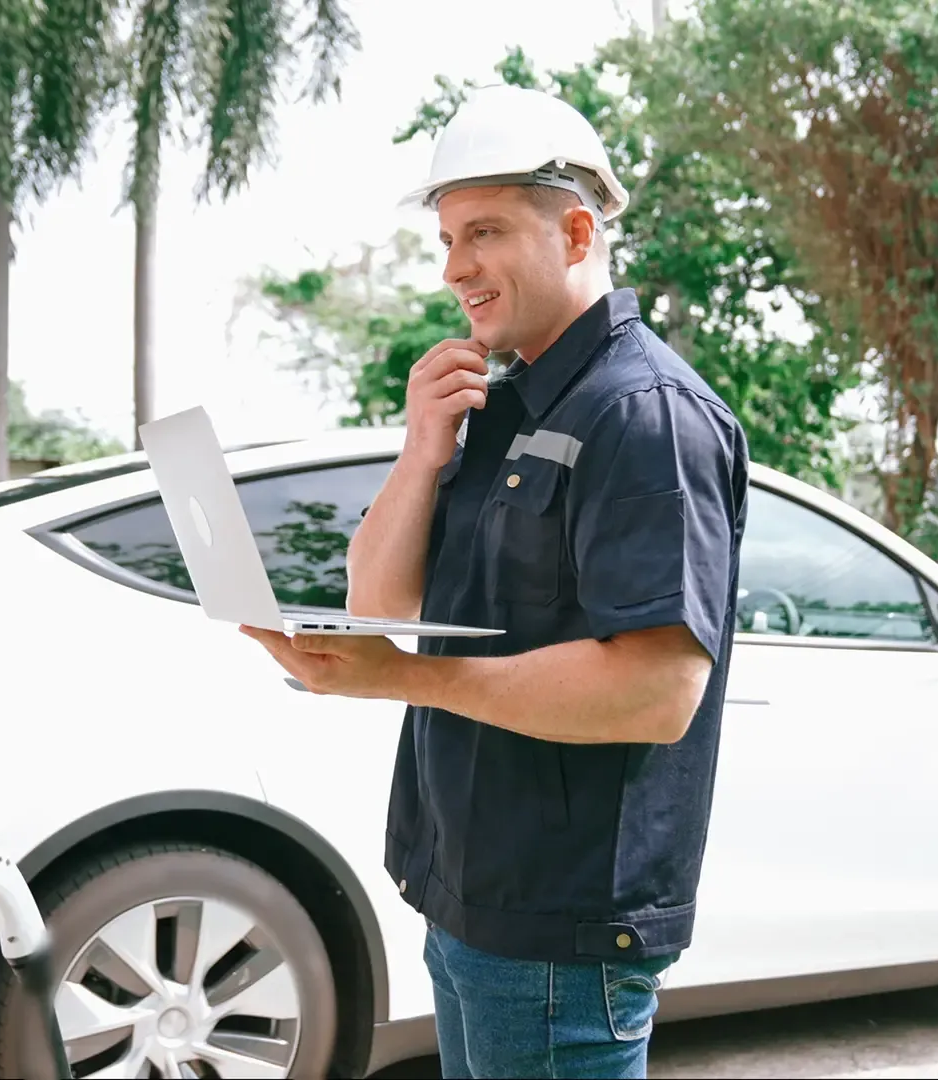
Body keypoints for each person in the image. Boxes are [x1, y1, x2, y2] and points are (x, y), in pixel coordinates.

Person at [241, 84, 749, 1079]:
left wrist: (399, 677)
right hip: (472, 902)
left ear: (573, 231)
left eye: (482, 231)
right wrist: (422, 452)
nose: (454, 267)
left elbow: (657, 690)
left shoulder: (645, 417)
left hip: (560, 937)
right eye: (445, 238)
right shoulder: (500, 402)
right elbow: (382, 607)